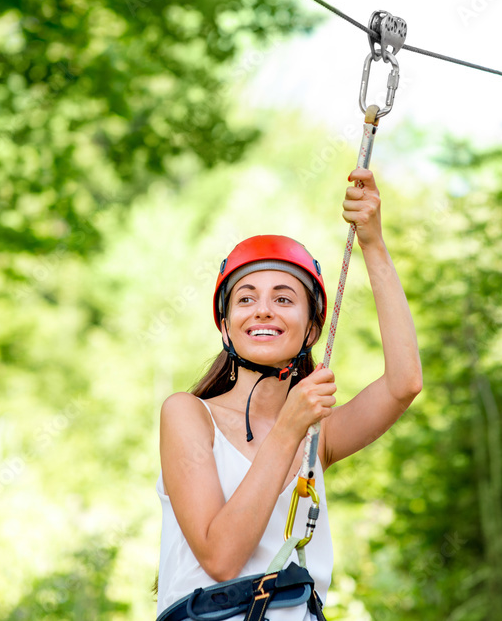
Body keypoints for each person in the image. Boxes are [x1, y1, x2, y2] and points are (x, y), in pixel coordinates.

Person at [156, 168, 423, 620]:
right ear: (224, 324)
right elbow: (221, 559)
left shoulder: (318, 435)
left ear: (312, 327)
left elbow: (404, 384)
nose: (263, 309)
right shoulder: (188, 415)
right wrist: (288, 428)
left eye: (283, 299)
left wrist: (373, 244)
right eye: (245, 299)